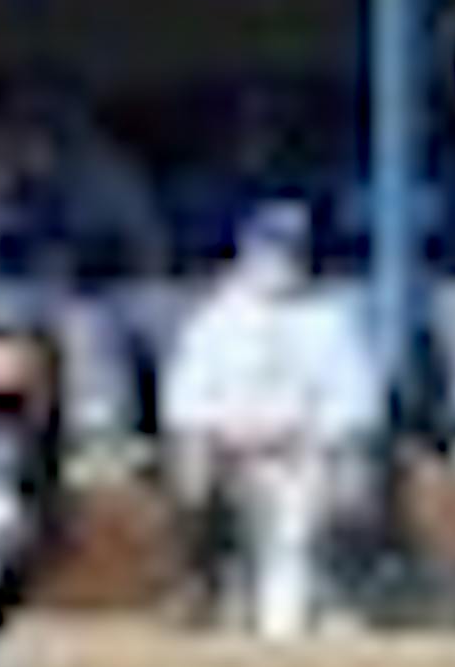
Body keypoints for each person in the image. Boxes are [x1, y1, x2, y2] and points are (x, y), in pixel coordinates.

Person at [162, 199, 383, 640]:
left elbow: (357, 404)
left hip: (304, 454)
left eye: (287, 252)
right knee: (192, 469)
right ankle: (203, 585)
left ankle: (336, 593)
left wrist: (305, 436)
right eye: (268, 250)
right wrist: (226, 434)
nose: (278, 264)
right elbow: (184, 403)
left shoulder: (330, 320)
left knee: (344, 483)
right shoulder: (214, 319)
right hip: (232, 451)